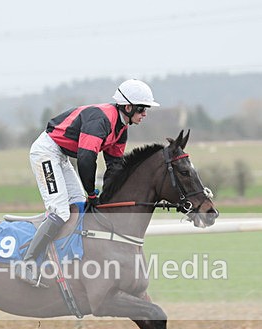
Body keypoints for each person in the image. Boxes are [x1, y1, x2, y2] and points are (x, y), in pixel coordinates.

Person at [16, 79, 160, 287]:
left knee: (79, 205)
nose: (145, 114)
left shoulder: (121, 129)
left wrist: (107, 198)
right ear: (128, 107)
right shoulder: (101, 120)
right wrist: (92, 192)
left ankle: (67, 256)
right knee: (60, 211)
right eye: (142, 109)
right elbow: (86, 159)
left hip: (62, 156)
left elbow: (115, 166)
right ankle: (27, 262)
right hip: (46, 152)